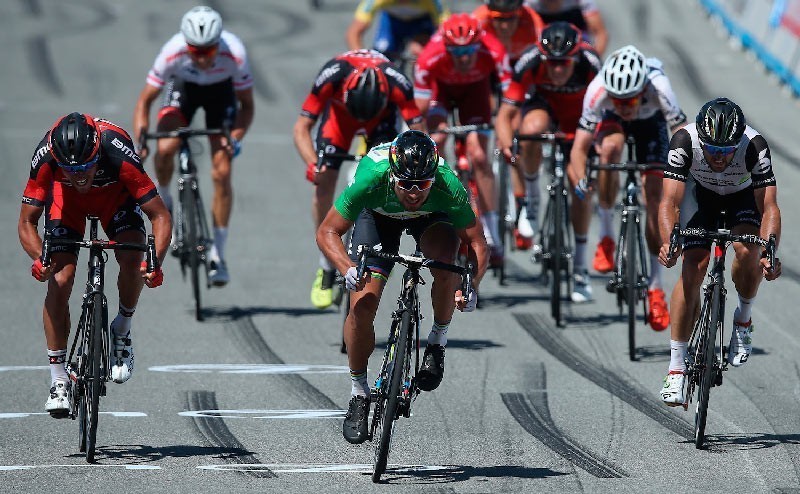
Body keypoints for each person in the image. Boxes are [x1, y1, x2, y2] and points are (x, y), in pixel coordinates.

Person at [316, 130, 488, 444]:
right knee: (362, 306)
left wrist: (472, 285)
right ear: (393, 174)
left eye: (422, 184)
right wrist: (347, 268)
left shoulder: (448, 184)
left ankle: (437, 342)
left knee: (447, 264)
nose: (413, 192)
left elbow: (476, 242)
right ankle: (358, 392)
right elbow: (327, 231)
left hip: (432, 218)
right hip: (378, 216)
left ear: (432, 178)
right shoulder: (372, 178)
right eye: (405, 183)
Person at [19, 113, 171, 415]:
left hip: (115, 198)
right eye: (70, 169)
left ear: (97, 152)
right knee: (60, 281)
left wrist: (155, 263)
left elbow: (160, 216)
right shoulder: (46, 156)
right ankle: (59, 379)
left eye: (86, 167)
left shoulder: (116, 149)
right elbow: (26, 221)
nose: (79, 175)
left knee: (132, 258)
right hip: (67, 203)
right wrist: (40, 259)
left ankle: (122, 328)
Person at [657, 98, 781, 405]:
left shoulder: (754, 145)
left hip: (742, 200)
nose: (719, 158)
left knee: (747, 250)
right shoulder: (684, 140)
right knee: (692, 267)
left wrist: (770, 251)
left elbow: (768, 207)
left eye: (726, 152)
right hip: (702, 199)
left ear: (737, 143)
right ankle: (676, 369)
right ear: (702, 138)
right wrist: (669, 242)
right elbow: (669, 203)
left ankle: (743, 319)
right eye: (712, 150)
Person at [294, 49, 425, 310]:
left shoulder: (397, 81)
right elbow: (301, 128)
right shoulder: (332, 74)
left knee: (384, 176)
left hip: (382, 123)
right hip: (339, 121)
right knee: (323, 180)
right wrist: (312, 164)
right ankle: (326, 264)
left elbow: (420, 134)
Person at [133, 5, 254, 287]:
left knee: (222, 172)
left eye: (208, 51)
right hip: (183, 90)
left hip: (220, 94)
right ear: (185, 44)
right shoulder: (172, 51)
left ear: (218, 44)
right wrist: (142, 139)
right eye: (195, 51)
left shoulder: (235, 54)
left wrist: (234, 137)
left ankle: (218, 255)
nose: (201, 58)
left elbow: (247, 107)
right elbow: (145, 101)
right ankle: (167, 204)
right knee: (165, 149)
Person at [567, 45, 686, 326]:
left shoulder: (659, 86)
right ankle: (607, 237)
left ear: (642, 90)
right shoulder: (598, 91)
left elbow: (681, 134)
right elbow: (579, 149)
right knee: (609, 149)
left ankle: (656, 289)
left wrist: (681, 175)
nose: (624, 107)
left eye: (630, 101)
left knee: (655, 197)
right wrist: (581, 178)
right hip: (612, 126)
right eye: (618, 100)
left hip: (652, 125)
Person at [414, 13, 511, 265]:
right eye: (456, 53)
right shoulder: (429, 57)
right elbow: (417, 110)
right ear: (445, 48)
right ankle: (441, 209)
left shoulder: (495, 51)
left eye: (470, 50)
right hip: (441, 93)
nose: (464, 58)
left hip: (476, 93)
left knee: (479, 156)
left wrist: (504, 130)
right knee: (435, 141)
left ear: (480, 44)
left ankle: (492, 234)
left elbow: (512, 96)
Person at [495, 22, 601, 251]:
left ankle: (581, 267)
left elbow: (605, 111)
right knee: (529, 132)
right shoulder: (529, 60)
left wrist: (597, 142)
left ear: (575, 58)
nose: (558, 70)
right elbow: (505, 114)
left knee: (579, 189)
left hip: (579, 116)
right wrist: (506, 146)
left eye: (564, 63)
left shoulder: (591, 63)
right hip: (545, 107)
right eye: (552, 63)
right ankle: (532, 200)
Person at [345, 0, 450, 62]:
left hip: (421, 24)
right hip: (393, 22)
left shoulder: (432, 2)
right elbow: (354, 32)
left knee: (422, 52)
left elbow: (446, 31)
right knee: (381, 56)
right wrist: (362, 59)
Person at [526, 0, 608, 55]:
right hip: (544, 45)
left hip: (578, 45)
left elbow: (600, 34)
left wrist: (594, 58)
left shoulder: (580, 1)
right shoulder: (529, 4)